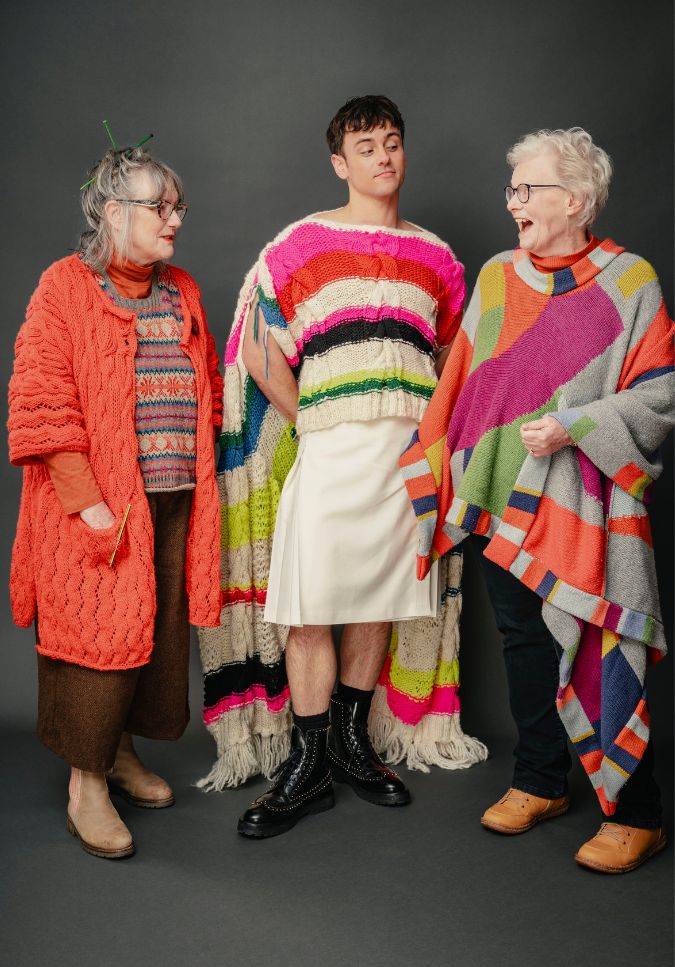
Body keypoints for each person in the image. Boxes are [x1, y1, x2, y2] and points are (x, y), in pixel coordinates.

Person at [204, 94, 485, 837]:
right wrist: (312, 420)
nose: (383, 156)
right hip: (330, 447)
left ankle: (355, 744)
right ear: (339, 162)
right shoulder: (298, 244)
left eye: (393, 142)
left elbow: (457, 357)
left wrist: (430, 439)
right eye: (366, 146)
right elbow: (256, 343)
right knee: (308, 607)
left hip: (404, 460)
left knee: (376, 600)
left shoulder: (440, 260)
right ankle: (309, 762)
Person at [402, 127, 674, 873]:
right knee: (522, 639)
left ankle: (634, 811)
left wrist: (580, 423)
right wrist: (450, 464)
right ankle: (540, 779)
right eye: (511, 188)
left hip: (583, 505)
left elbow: (659, 392)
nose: (512, 201)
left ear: (574, 200)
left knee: (593, 635)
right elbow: (470, 383)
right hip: (501, 501)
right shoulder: (495, 276)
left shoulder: (628, 281)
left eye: (527, 188)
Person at [8, 143, 223, 859]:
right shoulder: (62, 287)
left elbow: (208, 389)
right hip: (98, 507)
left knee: (152, 640)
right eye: (158, 207)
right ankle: (86, 785)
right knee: (98, 641)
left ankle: (121, 753)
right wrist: (86, 502)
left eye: (177, 207)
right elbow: (42, 398)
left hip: (172, 500)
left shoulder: (181, 289)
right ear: (111, 212)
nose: (173, 221)